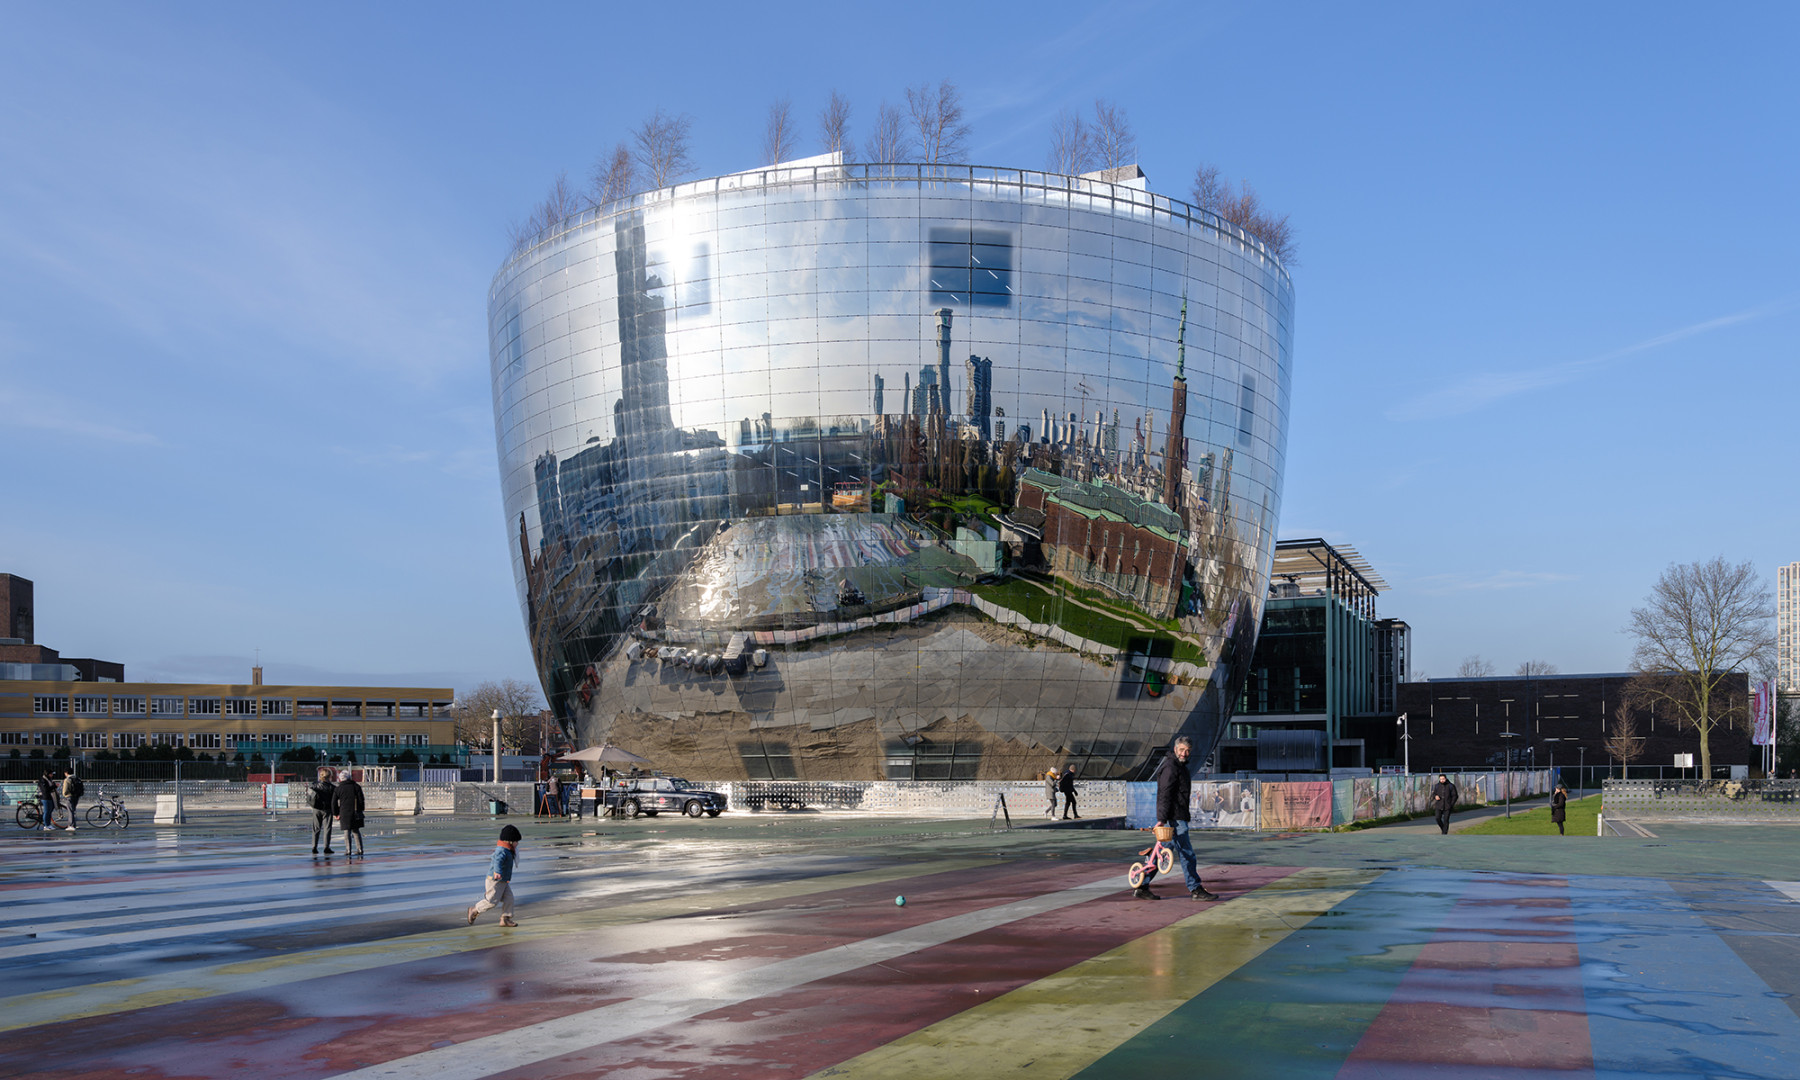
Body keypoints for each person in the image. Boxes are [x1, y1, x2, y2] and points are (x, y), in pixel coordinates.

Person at [1140, 736, 1221, 902]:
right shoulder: (1171, 767)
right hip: (1174, 818)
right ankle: (1195, 889)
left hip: (1178, 815)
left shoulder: (1180, 767)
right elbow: (1164, 794)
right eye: (1182, 750)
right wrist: (1161, 819)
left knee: (1162, 851)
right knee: (1187, 853)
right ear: (1175, 749)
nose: (1185, 753)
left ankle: (1141, 885)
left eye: (1188, 751)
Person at [467, 824, 522, 927]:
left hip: (503, 880)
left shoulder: (509, 850)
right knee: (492, 902)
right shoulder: (501, 850)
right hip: (495, 880)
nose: (517, 844)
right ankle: (474, 910)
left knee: (509, 899)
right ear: (509, 841)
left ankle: (505, 918)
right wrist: (497, 872)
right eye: (516, 841)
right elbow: (497, 861)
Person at [332, 769, 366, 856]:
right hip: (355, 812)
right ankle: (360, 849)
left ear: (340, 779)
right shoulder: (356, 787)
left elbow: (334, 802)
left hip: (344, 812)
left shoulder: (338, 789)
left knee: (346, 832)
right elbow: (361, 800)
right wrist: (360, 810)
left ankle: (348, 850)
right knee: (356, 831)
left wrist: (336, 813)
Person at [307, 767, 337, 854]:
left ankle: (314, 847)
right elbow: (334, 800)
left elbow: (309, 795)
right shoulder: (332, 787)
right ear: (329, 776)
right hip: (327, 809)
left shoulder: (314, 785)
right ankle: (326, 847)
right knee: (327, 828)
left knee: (316, 828)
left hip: (316, 808)